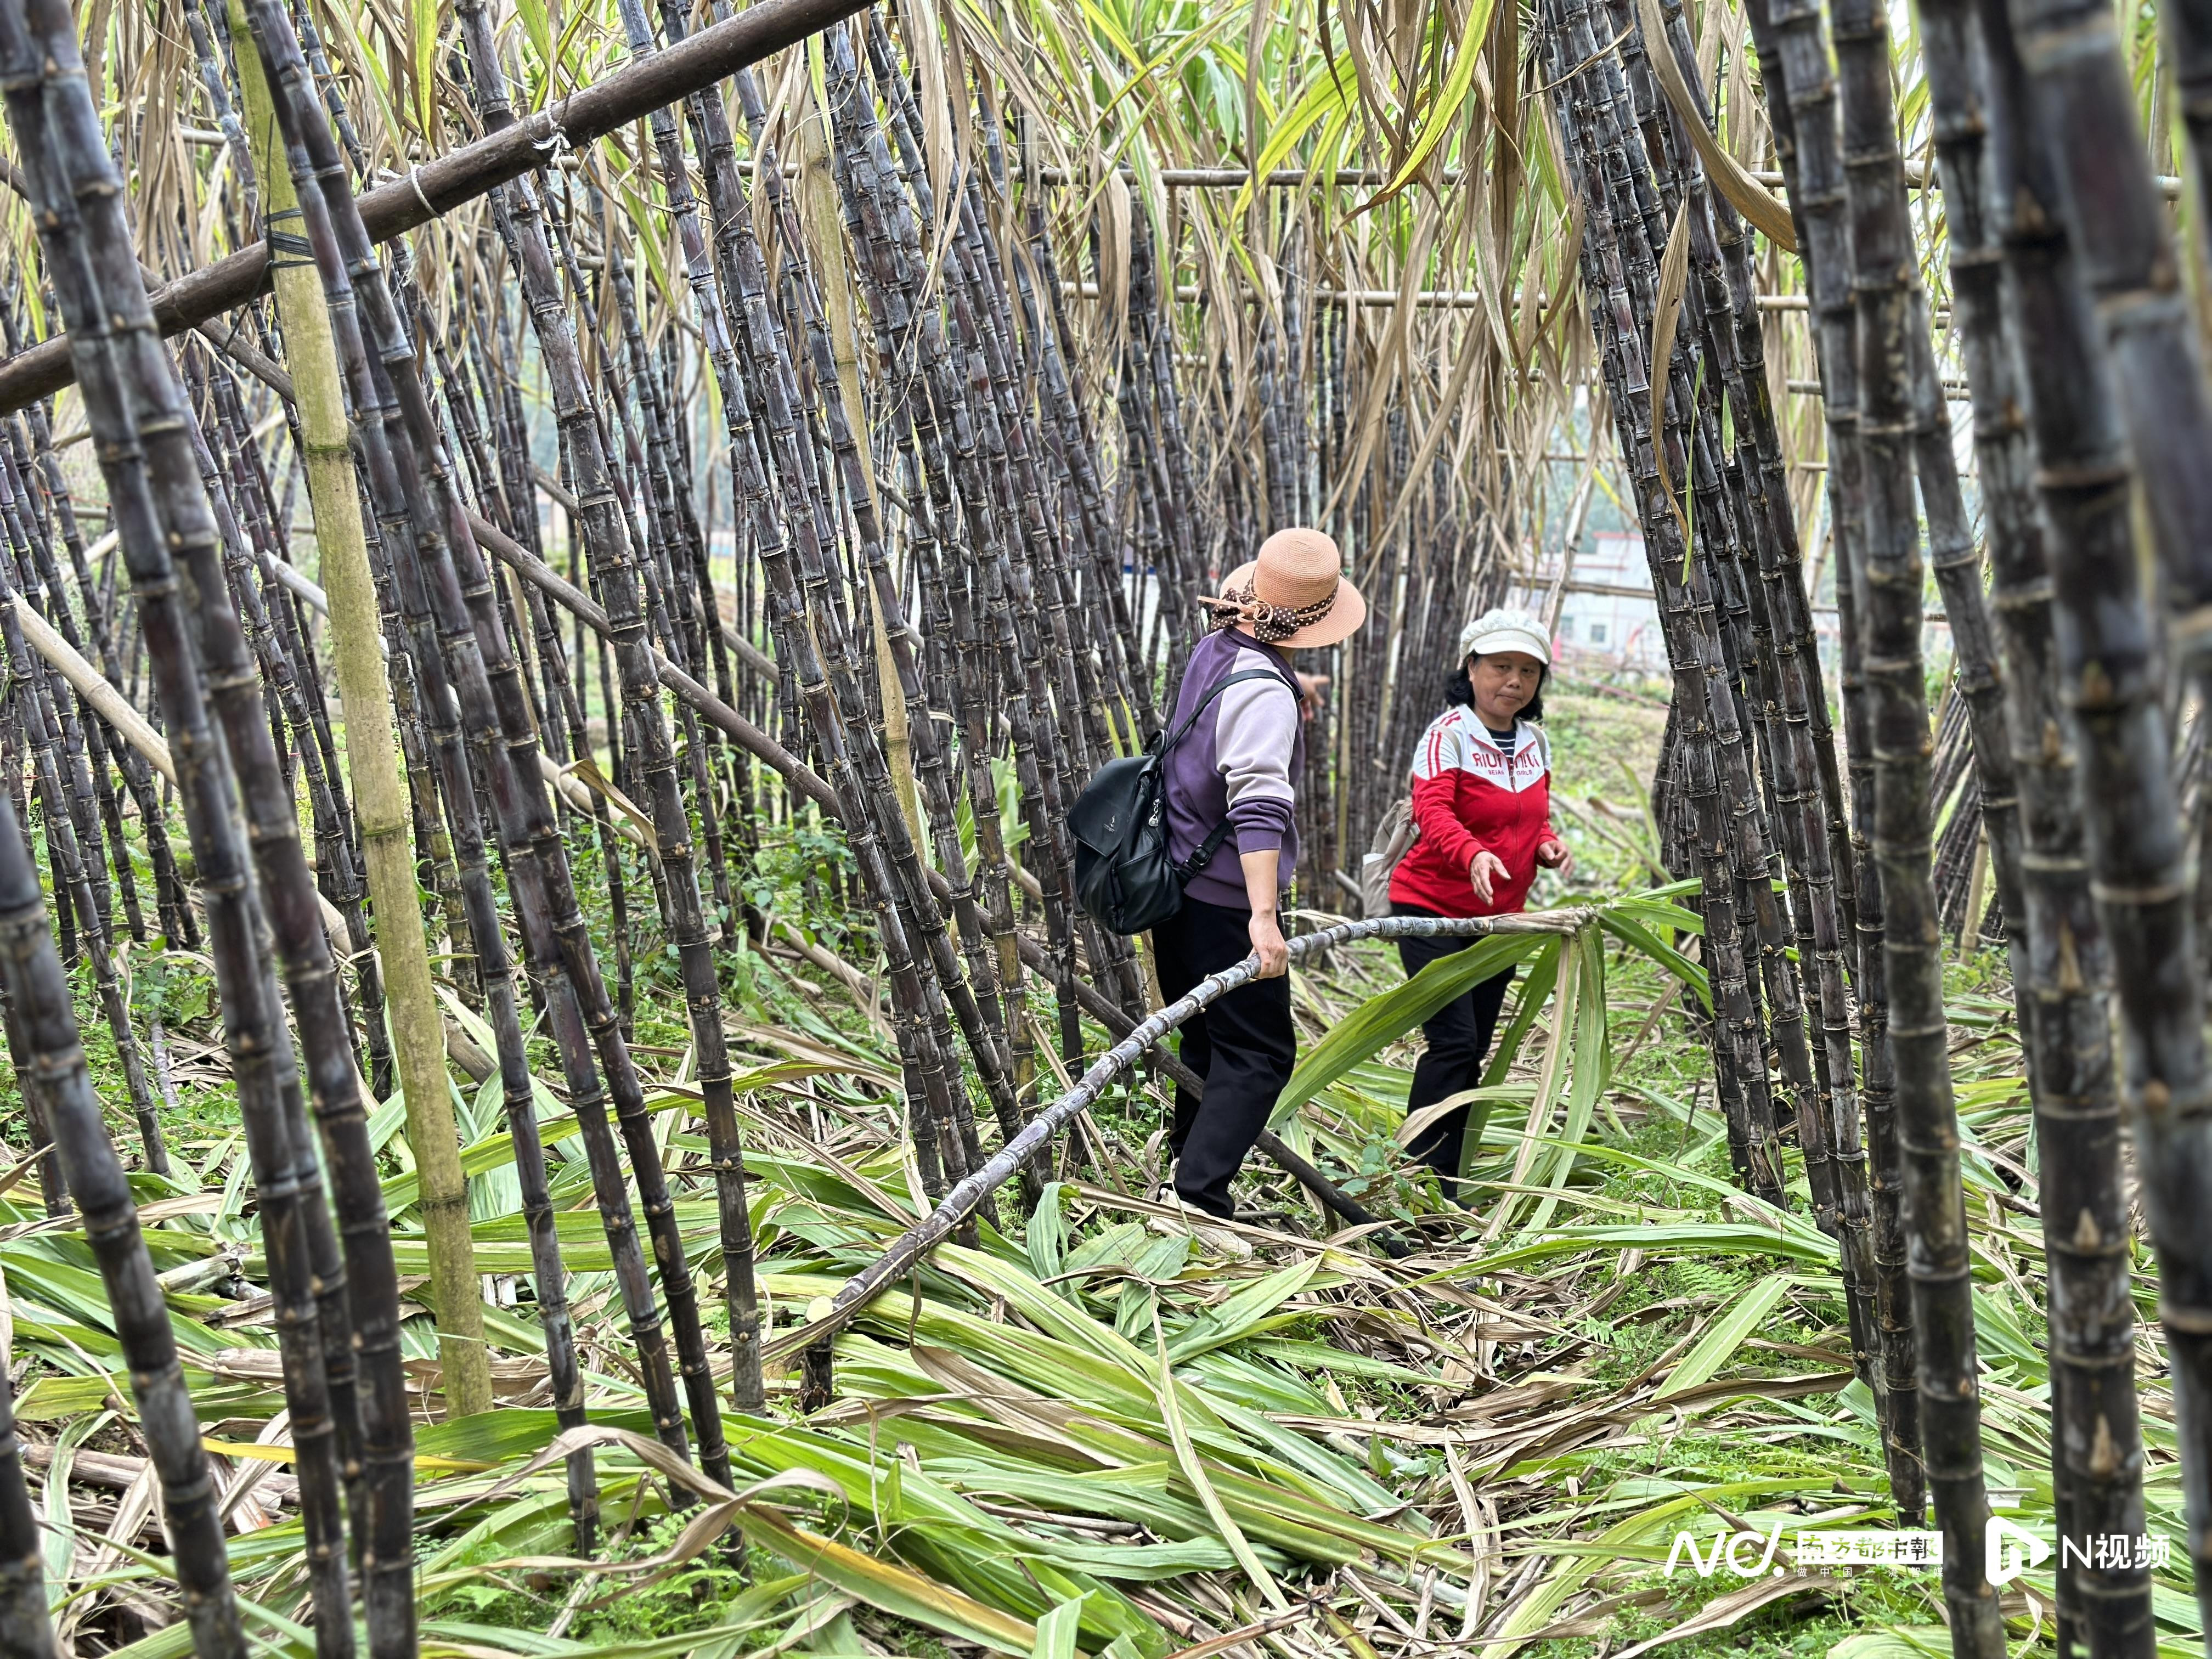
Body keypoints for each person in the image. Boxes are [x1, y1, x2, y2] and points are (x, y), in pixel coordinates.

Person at [1153, 528, 1368, 1220]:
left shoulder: (1217, 648)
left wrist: (1287, 685)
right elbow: (1258, 805)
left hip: (1174, 882)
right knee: (1260, 1054)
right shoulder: (1266, 695)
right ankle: (1199, 1194)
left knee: (1208, 1035)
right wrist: (1264, 920)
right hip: (1223, 901)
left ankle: (1181, 1164)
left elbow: (1230, 710)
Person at [1386, 608, 1573, 1198]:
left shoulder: (1534, 742)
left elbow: (1529, 820)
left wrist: (1545, 846)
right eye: (1499, 667)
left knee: (1472, 1051)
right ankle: (1412, 1178)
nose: (1512, 681)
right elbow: (1432, 812)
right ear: (1471, 669)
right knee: (1454, 1042)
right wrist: (1471, 855)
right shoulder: (1449, 735)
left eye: (1526, 671)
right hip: (1430, 910)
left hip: (1498, 920)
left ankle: (1445, 1179)